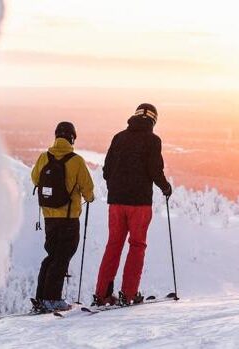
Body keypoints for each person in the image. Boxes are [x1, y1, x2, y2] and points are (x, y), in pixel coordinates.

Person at [93, 103, 172, 306]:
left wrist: (116, 187)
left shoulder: (119, 137)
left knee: (114, 245)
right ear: (153, 120)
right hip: (139, 203)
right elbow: (155, 170)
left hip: (116, 202)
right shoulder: (153, 140)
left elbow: (106, 170)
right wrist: (165, 187)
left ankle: (101, 295)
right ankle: (128, 294)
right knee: (137, 246)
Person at [31, 122, 94, 311]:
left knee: (51, 255)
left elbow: (35, 178)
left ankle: (41, 297)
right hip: (68, 218)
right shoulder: (76, 161)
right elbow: (87, 188)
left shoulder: (44, 157)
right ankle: (52, 299)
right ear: (72, 138)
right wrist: (89, 198)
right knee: (62, 257)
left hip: (49, 216)